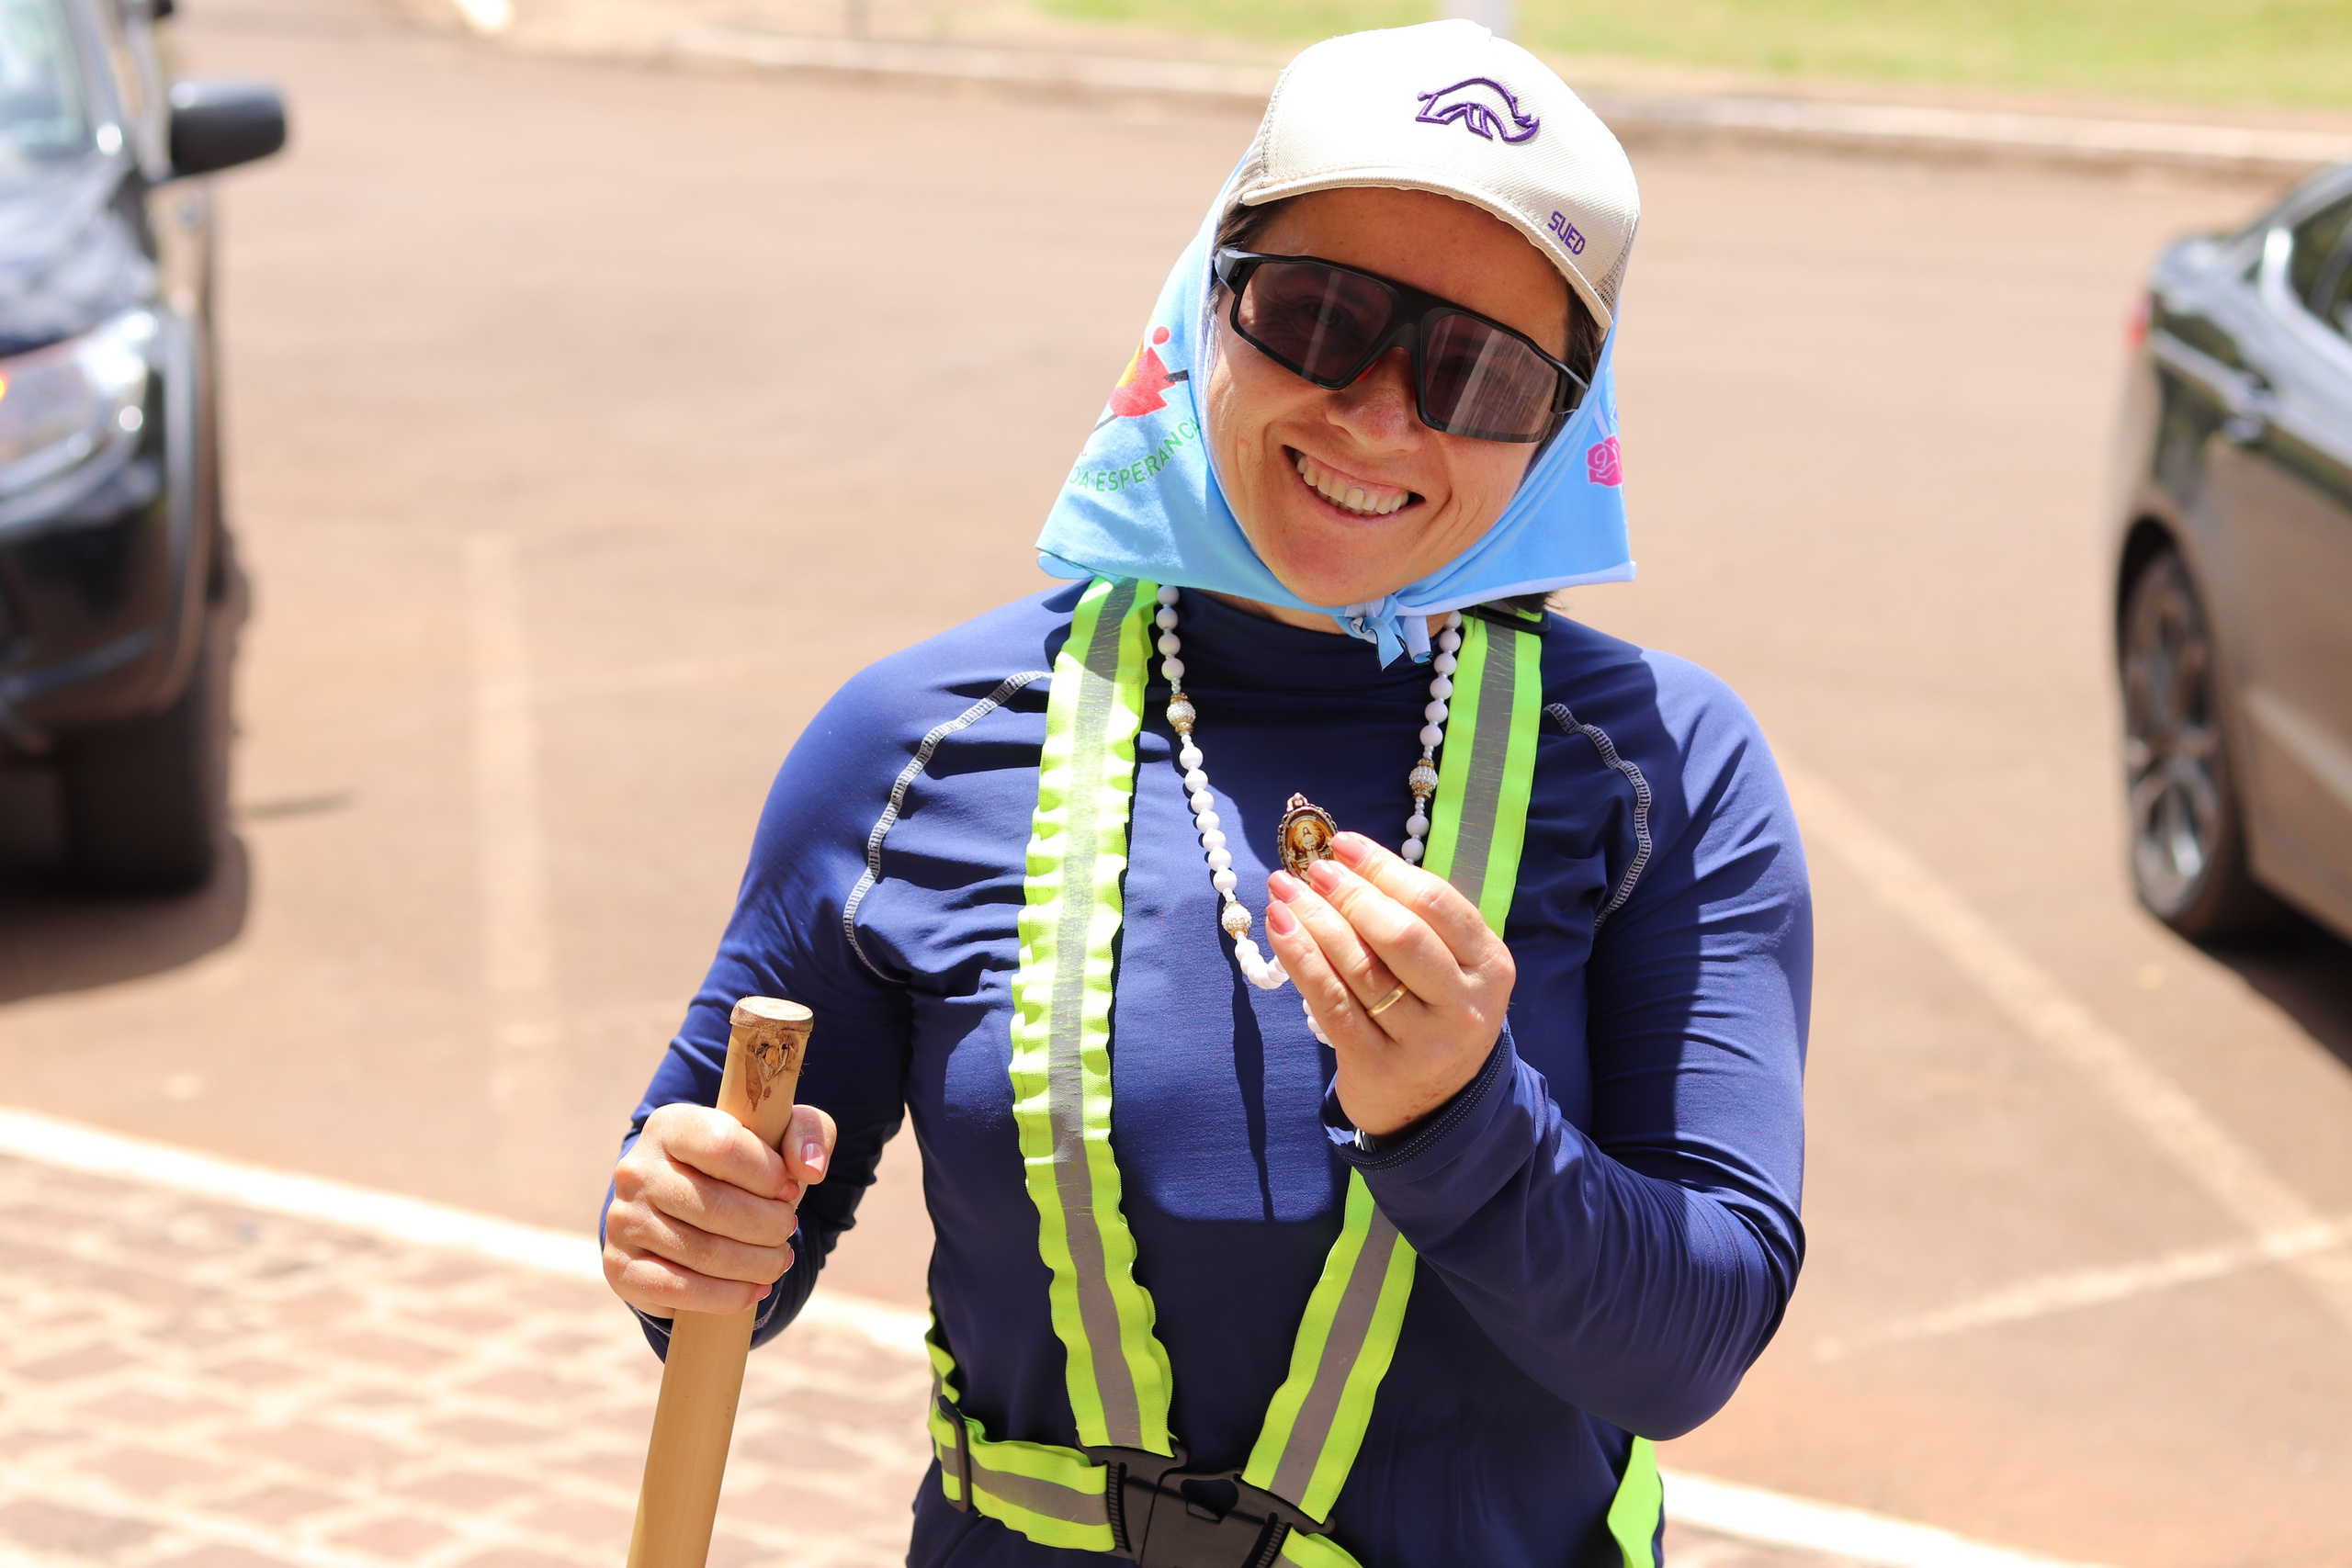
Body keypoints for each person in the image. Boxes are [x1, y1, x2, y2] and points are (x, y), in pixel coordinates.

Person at [601, 20, 1810, 1568]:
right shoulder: (917, 741)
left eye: (1483, 372)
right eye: (1318, 315)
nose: (1380, 414)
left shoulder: (1663, 773)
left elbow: (1689, 1351)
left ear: (1566, 421)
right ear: (1206, 299)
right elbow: (708, 1268)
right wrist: (682, 1230)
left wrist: (1463, 1119)